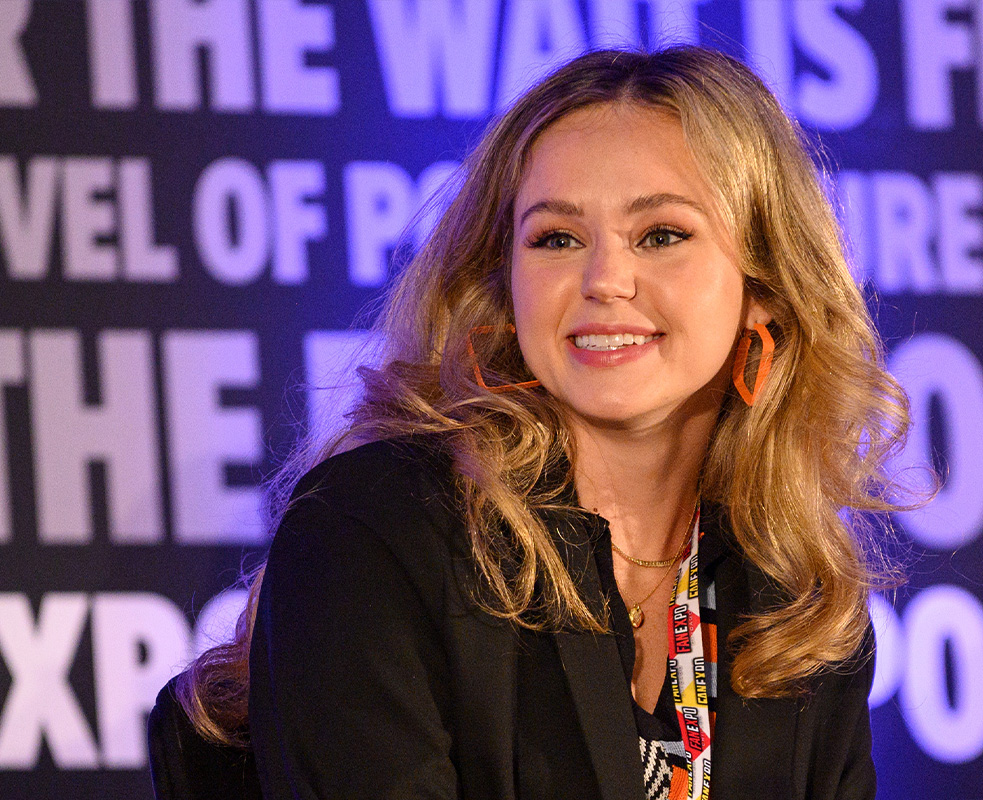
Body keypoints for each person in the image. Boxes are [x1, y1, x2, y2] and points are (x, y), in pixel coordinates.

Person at [150, 45, 912, 800]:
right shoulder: (374, 529)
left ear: (765, 291)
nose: (604, 280)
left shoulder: (797, 609)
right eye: (556, 239)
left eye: (661, 235)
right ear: (504, 288)